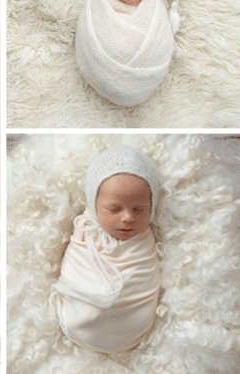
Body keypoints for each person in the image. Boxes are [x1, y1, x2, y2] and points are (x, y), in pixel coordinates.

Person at [52, 145, 161, 353]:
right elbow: (75, 269)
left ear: (152, 206)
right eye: (114, 209)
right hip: (77, 326)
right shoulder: (85, 232)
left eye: (139, 209)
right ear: (94, 205)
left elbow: (143, 278)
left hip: (131, 329)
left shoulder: (143, 243)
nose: (128, 218)